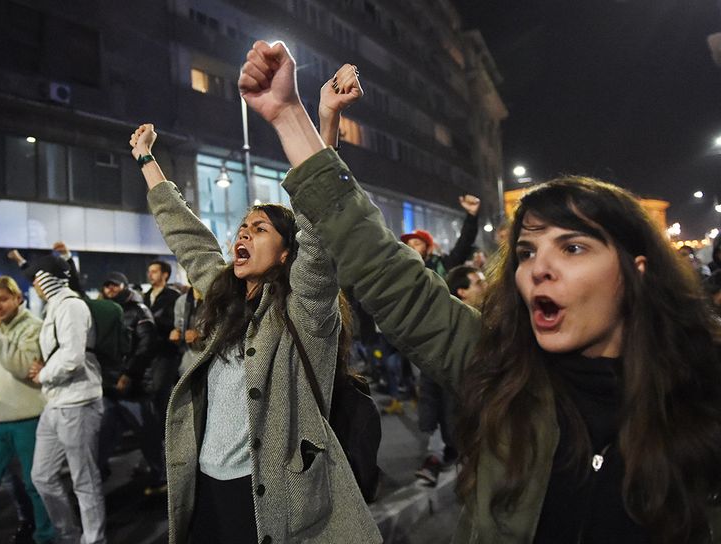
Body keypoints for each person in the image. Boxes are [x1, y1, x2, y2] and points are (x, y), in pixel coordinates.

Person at [239, 40, 721, 543]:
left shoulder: (702, 399)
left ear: (637, 271)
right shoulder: (500, 372)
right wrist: (289, 115)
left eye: (573, 248)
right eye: (528, 251)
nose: (539, 269)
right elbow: (385, 269)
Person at [128, 119, 381, 543]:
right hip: (206, 484)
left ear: (286, 254)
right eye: (243, 228)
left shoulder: (303, 311)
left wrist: (327, 122)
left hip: (267, 495)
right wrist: (146, 160)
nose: (244, 232)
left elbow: (317, 236)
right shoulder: (224, 298)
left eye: (260, 228)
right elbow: (188, 238)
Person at [24, 256, 106, 544]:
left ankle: (94, 539)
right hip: (57, 402)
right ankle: (68, 535)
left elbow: (72, 357)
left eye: (35, 278)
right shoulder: (55, 307)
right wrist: (45, 372)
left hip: (78, 402)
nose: (33, 284)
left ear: (46, 278)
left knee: (84, 480)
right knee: (42, 476)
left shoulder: (71, 306)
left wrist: (43, 374)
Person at [0, 276, 54, 544]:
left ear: (18, 298)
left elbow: (23, 366)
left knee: (35, 485)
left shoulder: (33, 327)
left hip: (29, 419)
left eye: (3, 299)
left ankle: (46, 538)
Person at [415, 265, 486, 486]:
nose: (486, 286)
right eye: (478, 282)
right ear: (462, 291)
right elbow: (430, 381)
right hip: (459, 425)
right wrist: (428, 421)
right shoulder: (446, 329)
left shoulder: (494, 322)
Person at [97, 271, 163, 494]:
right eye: (107, 286)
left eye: (114, 285)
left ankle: (161, 476)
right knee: (103, 433)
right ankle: (97, 472)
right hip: (109, 385)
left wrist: (129, 374)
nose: (110, 290)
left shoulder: (139, 310)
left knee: (147, 434)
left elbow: (147, 345)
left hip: (134, 386)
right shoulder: (105, 312)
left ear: (124, 286)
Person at [142, 260, 181, 415]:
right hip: (148, 351)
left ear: (165, 274)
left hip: (166, 351)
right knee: (149, 392)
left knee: (161, 392)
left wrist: (153, 319)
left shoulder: (173, 296)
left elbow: (176, 322)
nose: (150, 274)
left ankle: (164, 433)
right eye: (149, 271)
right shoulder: (145, 297)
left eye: (154, 271)